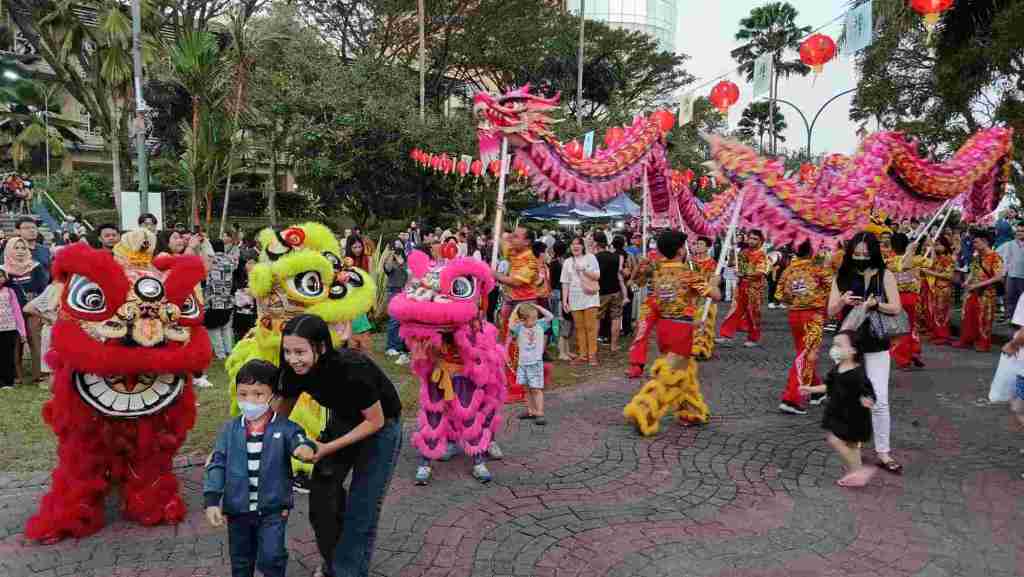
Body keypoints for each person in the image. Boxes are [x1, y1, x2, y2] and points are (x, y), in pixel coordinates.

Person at [275, 315, 402, 577]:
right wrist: (244, 441)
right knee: (323, 499)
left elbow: (375, 421)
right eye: (287, 351)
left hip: (381, 428)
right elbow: (278, 417)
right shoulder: (293, 371)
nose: (293, 358)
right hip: (343, 420)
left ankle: (348, 571)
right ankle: (335, 562)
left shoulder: (351, 367)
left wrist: (325, 448)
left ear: (321, 347)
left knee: (361, 508)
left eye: (300, 351)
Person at [203, 359, 317, 577]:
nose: (249, 400)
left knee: (271, 556)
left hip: (273, 509)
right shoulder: (230, 430)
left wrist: (304, 448)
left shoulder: (284, 427)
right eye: (243, 394)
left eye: (258, 394)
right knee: (241, 560)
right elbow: (217, 463)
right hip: (238, 510)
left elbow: (299, 439)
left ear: (273, 397)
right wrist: (211, 501)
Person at [623, 230, 721, 435]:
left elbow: (638, 282)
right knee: (671, 374)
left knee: (684, 370)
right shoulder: (688, 274)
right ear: (679, 250)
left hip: (664, 328)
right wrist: (714, 282)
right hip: (681, 329)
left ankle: (690, 411)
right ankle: (643, 410)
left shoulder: (658, 272)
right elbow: (716, 296)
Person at [827, 231, 903, 475]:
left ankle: (883, 451)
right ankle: (854, 445)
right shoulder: (842, 275)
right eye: (856, 253)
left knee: (879, 399)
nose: (860, 257)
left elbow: (896, 307)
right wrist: (843, 302)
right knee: (851, 398)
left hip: (876, 342)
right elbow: (830, 310)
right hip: (848, 345)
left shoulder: (885, 274)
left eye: (865, 253)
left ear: (873, 253)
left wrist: (875, 304)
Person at [800, 331, 878, 487]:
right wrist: (811, 389)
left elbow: (869, 393)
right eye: (834, 345)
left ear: (853, 350)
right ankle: (856, 473)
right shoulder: (837, 368)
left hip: (853, 417)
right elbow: (829, 386)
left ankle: (858, 471)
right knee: (851, 446)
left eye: (839, 345)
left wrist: (868, 400)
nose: (834, 349)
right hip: (838, 413)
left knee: (834, 439)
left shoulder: (858, 374)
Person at [775, 240, 832, 415]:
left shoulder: (789, 270)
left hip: (794, 315)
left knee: (804, 352)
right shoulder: (818, 268)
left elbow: (779, 294)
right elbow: (833, 288)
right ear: (812, 251)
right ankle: (791, 398)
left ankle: (817, 392)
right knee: (806, 355)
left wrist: (795, 300)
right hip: (813, 315)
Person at [3, 237, 47, 386]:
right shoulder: (4, 270)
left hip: (34, 311)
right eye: (16, 248)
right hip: (11, 314)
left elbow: (43, 290)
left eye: (23, 248)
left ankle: (39, 375)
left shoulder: (36, 267)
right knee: (14, 345)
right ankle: (16, 376)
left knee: (36, 342)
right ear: (9, 250)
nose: (21, 251)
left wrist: (42, 311)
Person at [717, 229, 769, 347]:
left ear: (761, 241)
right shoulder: (743, 252)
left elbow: (761, 272)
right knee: (735, 310)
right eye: (750, 238)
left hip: (754, 289)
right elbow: (731, 263)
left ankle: (753, 338)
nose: (751, 241)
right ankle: (726, 335)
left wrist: (744, 274)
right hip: (741, 286)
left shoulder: (762, 255)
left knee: (752, 314)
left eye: (755, 239)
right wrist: (731, 249)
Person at [956, 229, 1003, 352]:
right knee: (968, 315)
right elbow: (973, 271)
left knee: (984, 318)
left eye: (976, 242)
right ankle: (967, 340)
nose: (973, 245)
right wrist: (967, 282)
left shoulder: (995, 256)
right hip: (973, 291)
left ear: (985, 242)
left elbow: (998, 277)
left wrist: (977, 285)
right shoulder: (978, 257)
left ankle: (983, 343)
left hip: (987, 293)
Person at [509, 303, 552, 425]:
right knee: (527, 389)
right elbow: (511, 323)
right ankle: (530, 411)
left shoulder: (540, 325)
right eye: (531, 318)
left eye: (535, 318)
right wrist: (518, 307)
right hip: (523, 364)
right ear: (522, 320)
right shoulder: (519, 328)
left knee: (536, 389)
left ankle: (540, 413)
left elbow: (550, 316)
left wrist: (536, 307)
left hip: (535, 363)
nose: (535, 320)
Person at [888, 233, 926, 369]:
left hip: (897, 298)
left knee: (900, 328)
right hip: (913, 297)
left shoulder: (889, 261)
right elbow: (929, 263)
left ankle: (903, 358)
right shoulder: (915, 258)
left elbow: (903, 267)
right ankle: (914, 351)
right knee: (912, 326)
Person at [560, 236, 600, 365]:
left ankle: (592, 355)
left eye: (578, 244)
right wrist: (565, 301)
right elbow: (565, 282)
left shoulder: (591, 258)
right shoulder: (567, 262)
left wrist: (584, 270)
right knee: (579, 327)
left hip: (590, 296)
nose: (575, 246)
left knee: (590, 326)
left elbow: (597, 276)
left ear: (583, 246)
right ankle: (583, 355)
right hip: (574, 297)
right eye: (572, 244)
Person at [205, 239, 238, 360]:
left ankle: (220, 354)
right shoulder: (231, 260)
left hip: (214, 300)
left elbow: (207, 280)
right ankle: (230, 350)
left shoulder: (211, 261)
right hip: (228, 299)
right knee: (226, 328)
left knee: (213, 328)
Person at [593, 232, 624, 351]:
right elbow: (620, 273)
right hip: (616, 290)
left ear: (596, 243)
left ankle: (594, 345)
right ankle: (614, 345)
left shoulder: (595, 258)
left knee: (597, 318)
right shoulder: (616, 257)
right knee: (616, 318)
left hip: (601, 292)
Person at [922, 236, 956, 344]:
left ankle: (943, 336)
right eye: (936, 244)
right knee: (936, 312)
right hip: (937, 288)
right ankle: (937, 333)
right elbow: (932, 265)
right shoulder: (939, 258)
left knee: (942, 312)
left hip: (944, 289)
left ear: (945, 246)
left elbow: (949, 275)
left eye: (938, 244)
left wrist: (930, 273)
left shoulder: (948, 258)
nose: (936, 246)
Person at [382, 238, 410, 365]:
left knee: (403, 320)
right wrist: (390, 256)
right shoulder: (390, 261)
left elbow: (408, 274)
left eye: (400, 246)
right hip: (393, 291)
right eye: (395, 247)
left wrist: (402, 263)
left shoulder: (405, 261)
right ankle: (391, 347)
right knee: (394, 320)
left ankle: (400, 346)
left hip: (404, 291)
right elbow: (387, 270)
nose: (398, 249)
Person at [345, 236, 374, 352]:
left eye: (360, 247)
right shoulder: (345, 261)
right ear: (349, 248)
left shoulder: (367, 260)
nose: (358, 250)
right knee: (353, 325)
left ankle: (359, 348)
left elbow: (370, 279)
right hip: (350, 297)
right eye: (354, 247)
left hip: (363, 296)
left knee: (361, 325)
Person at [0, 269, 25, 390]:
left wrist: (22, 331)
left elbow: (17, 312)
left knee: (8, 356)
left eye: (1, 276)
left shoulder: (10, 291)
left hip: (9, 328)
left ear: (5, 278)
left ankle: (8, 381)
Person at [548, 240, 573, 361]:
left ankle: (562, 347)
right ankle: (560, 348)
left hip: (557, 292)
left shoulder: (555, 262)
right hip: (559, 293)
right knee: (560, 320)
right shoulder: (559, 263)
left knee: (560, 320)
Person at [999, 222, 1024, 327]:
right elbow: (1002, 257)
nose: (1019, 233)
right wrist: (1003, 273)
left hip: (1023, 276)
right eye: (1018, 231)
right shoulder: (1010, 244)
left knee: (1021, 299)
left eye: (1022, 231)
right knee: (1009, 297)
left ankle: (1020, 321)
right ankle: (1010, 318)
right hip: (1011, 275)